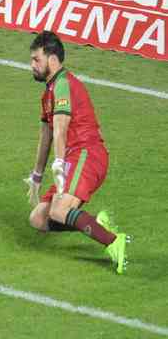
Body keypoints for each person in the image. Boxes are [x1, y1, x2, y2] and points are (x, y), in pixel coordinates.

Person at [23, 30, 129, 274]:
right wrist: (36, 177)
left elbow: (60, 130)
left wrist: (58, 166)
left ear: (52, 60)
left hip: (86, 153)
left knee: (59, 211)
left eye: (36, 59)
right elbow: (46, 135)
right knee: (39, 218)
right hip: (75, 156)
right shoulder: (48, 92)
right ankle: (92, 222)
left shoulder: (63, 85)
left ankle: (114, 242)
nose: (32, 65)